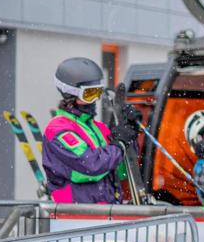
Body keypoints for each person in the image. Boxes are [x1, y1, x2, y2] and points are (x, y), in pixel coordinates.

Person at [42, 57, 136, 205]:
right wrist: (119, 145)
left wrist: (129, 130)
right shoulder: (58, 130)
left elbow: (121, 169)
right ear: (70, 94)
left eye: (98, 92)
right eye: (90, 94)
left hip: (106, 210)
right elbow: (91, 165)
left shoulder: (99, 128)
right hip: (76, 214)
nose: (95, 99)